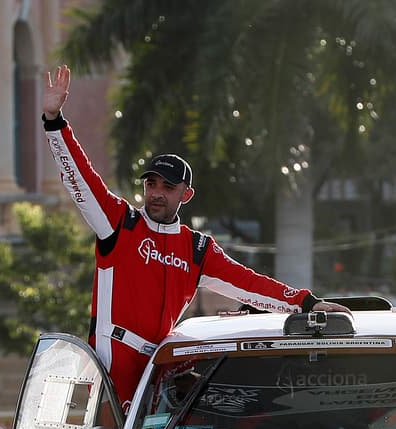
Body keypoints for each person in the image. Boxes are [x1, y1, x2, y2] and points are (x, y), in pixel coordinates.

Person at [41, 65, 349, 404]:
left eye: (167, 187)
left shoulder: (197, 249)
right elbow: (81, 179)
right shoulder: (120, 223)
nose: (156, 193)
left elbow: (250, 284)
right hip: (112, 362)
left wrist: (305, 302)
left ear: (185, 195)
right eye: (151, 184)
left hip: (159, 368)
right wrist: (55, 121)